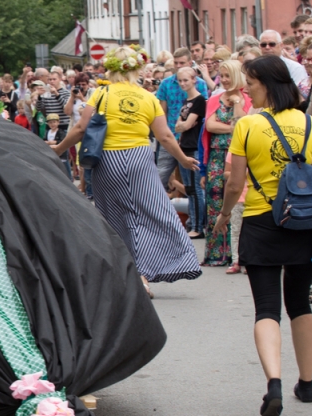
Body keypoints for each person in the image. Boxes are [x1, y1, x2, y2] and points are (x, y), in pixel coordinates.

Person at [214, 56, 312, 416]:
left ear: (268, 83)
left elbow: (234, 183)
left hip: (262, 220)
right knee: (300, 304)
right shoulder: (310, 123)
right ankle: (306, 384)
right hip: (302, 223)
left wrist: (224, 214)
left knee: (266, 308)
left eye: (251, 82)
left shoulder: (247, 125)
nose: (245, 88)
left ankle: (274, 382)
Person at [54, 45, 201, 293]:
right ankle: (154, 267)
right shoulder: (147, 96)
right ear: (136, 69)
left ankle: (126, 273)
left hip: (107, 159)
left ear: (110, 69)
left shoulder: (100, 94)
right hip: (139, 158)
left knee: (112, 215)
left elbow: (80, 129)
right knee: (151, 212)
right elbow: (164, 136)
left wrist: (57, 150)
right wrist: (184, 159)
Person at [200, 60, 251, 266]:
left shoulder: (248, 98)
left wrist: (238, 103)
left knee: (237, 202)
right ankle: (217, 253)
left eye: (228, 75)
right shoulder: (214, 98)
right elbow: (210, 125)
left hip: (238, 156)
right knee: (215, 203)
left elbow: (243, 123)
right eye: (221, 75)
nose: (224, 80)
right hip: (216, 157)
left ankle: (237, 253)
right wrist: (230, 127)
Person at [155, 47, 209, 186]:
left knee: (193, 183)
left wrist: (186, 125)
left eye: (182, 63)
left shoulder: (200, 84)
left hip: (192, 139)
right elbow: (162, 111)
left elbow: (203, 111)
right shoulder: (166, 83)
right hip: (170, 135)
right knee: (160, 176)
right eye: (176, 63)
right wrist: (164, 132)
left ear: (190, 63)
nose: (178, 66)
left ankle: (195, 208)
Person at [174, 66, 207, 238]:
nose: (183, 83)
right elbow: (178, 125)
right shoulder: (186, 102)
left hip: (193, 147)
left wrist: (185, 125)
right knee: (189, 188)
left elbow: (185, 125)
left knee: (195, 189)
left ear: (194, 80)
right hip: (183, 146)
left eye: (186, 80)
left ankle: (198, 226)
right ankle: (193, 223)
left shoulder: (200, 100)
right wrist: (183, 125)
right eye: (180, 80)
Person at [258, 30, 309, 95]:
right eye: (263, 45)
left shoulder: (295, 68)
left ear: (281, 45)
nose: (267, 47)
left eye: (272, 44)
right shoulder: (255, 68)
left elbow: (298, 95)